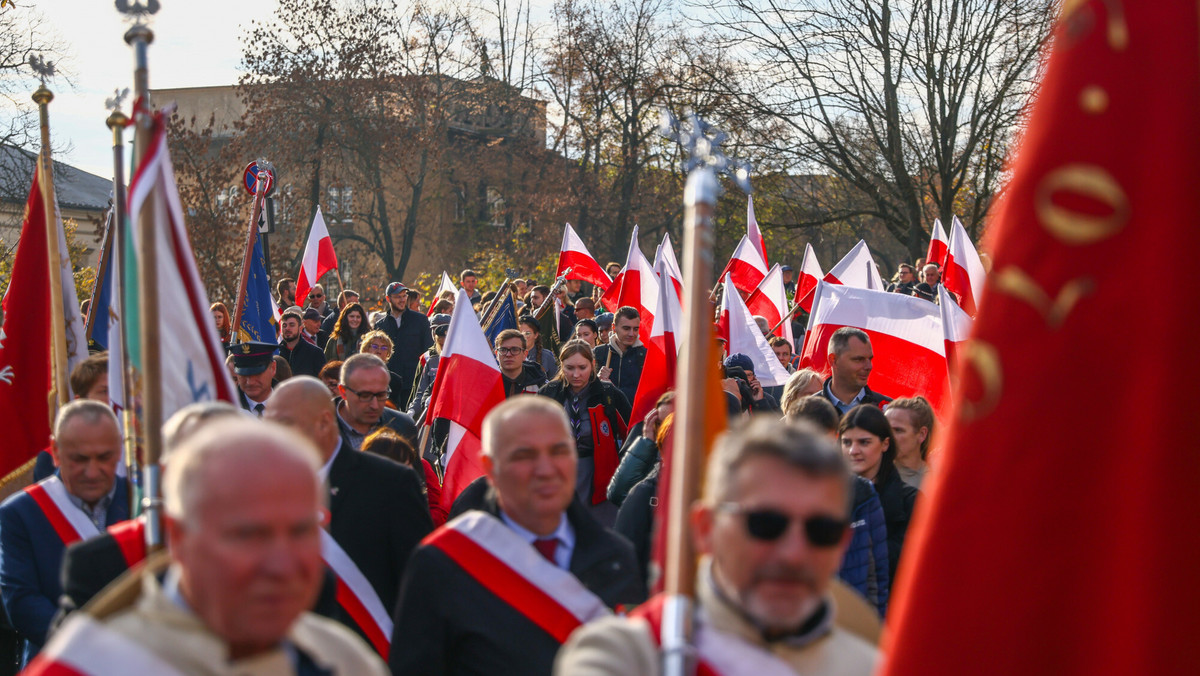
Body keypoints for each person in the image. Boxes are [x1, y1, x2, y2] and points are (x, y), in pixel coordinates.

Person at [28, 418, 388, 675]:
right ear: (180, 538)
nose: (282, 563)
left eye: (301, 531)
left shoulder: (342, 659)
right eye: (249, 535)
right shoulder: (95, 665)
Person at [556, 419, 878, 675]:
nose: (793, 553)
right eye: (766, 524)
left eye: (822, 530)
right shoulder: (628, 655)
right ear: (706, 529)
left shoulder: (871, 666)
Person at [389, 396, 645, 676]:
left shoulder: (616, 557)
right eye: (525, 455)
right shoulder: (442, 562)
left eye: (559, 451)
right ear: (490, 467)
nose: (546, 470)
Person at [265, 378, 433, 652]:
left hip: (371, 651)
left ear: (322, 423)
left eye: (283, 425)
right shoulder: (264, 490)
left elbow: (420, 585)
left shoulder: (391, 483)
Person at [50, 402, 246, 629]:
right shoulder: (102, 562)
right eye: (196, 464)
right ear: (165, 474)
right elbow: (69, 658)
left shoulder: (284, 554)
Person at [0, 401, 130, 665]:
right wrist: (90, 649)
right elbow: (21, 601)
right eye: (79, 459)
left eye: (103, 457)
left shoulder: (139, 501)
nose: (92, 471)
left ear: (119, 450)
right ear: (56, 452)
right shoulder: (19, 513)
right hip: (58, 660)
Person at [790, 396, 890, 618]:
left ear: (834, 437)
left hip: (851, 622)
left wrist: (872, 630)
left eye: (821, 443)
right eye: (806, 443)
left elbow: (879, 574)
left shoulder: (862, 493)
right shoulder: (774, 493)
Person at [538, 340, 631, 525]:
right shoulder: (549, 394)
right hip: (557, 471)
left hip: (597, 473)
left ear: (593, 364)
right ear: (561, 366)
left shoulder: (608, 394)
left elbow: (631, 431)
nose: (576, 374)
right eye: (569, 368)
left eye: (582, 367)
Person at [839, 404, 919, 584]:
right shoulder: (826, 495)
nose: (853, 451)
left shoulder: (911, 501)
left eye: (864, 442)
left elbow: (904, 561)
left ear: (885, 444)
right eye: (847, 442)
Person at [361, 427, 446, 527]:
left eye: (408, 463)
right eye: (398, 465)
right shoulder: (360, 504)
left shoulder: (420, 469)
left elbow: (437, 509)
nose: (407, 471)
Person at [336, 353, 418, 449]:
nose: (374, 405)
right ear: (343, 391)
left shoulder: (403, 426)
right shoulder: (317, 428)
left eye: (381, 395)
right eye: (365, 396)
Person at [373, 281, 433, 408]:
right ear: (388, 299)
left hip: (413, 383)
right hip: (388, 383)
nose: (402, 300)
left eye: (404, 296)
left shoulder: (420, 320)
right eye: (397, 297)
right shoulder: (380, 325)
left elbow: (428, 350)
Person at [820, 328, 892, 416]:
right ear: (833, 360)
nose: (869, 366)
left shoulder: (889, 410)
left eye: (870, 359)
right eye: (859, 359)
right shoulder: (807, 411)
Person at [593, 306, 646, 405]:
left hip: (633, 418)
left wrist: (612, 389)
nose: (631, 334)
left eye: (635, 329)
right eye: (626, 328)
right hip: (605, 418)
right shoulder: (598, 353)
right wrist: (597, 381)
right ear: (614, 328)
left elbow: (647, 396)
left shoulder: (645, 356)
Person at [407, 314, 451, 421]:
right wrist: (411, 410)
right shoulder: (430, 360)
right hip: (433, 418)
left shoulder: (461, 360)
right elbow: (420, 391)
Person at [885, 396, 935, 489]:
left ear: (921, 434)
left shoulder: (936, 481)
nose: (889, 436)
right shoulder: (872, 474)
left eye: (898, 430)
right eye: (886, 429)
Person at [226, 340, 279, 417]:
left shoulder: (291, 404)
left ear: (273, 368)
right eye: (244, 374)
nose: (250, 382)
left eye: (257, 374)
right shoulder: (227, 409)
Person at [359, 330, 407, 409]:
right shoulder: (355, 375)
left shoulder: (394, 380)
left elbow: (395, 410)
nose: (379, 351)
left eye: (384, 348)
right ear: (365, 349)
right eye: (375, 346)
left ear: (388, 353)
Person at [495, 328, 547, 397]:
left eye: (515, 350)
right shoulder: (486, 384)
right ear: (496, 354)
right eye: (503, 350)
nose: (508, 354)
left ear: (525, 354)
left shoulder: (541, 385)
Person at [278, 309, 328, 379]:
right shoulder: (275, 353)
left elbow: (321, 381)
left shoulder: (315, 353)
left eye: (292, 325)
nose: (287, 328)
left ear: (300, 328)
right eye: (284, 325)